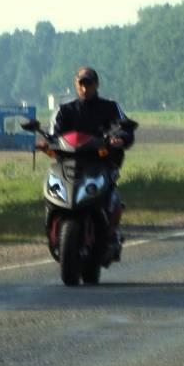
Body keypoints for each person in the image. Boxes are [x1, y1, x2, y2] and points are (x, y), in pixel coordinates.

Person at [46, 67, 135, 259]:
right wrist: (46, 142)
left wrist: (120, 138)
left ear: (97, 85)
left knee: (111, 193)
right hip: (68, 164)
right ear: (75, 84)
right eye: (82, 84)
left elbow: (124, 127)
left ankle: (110, 232)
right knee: (53, 190)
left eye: (89, 84)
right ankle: (53, 226)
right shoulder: (65, 110)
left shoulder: (110, 107)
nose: (85, 88)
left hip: (100, 162)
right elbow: (53, 132)